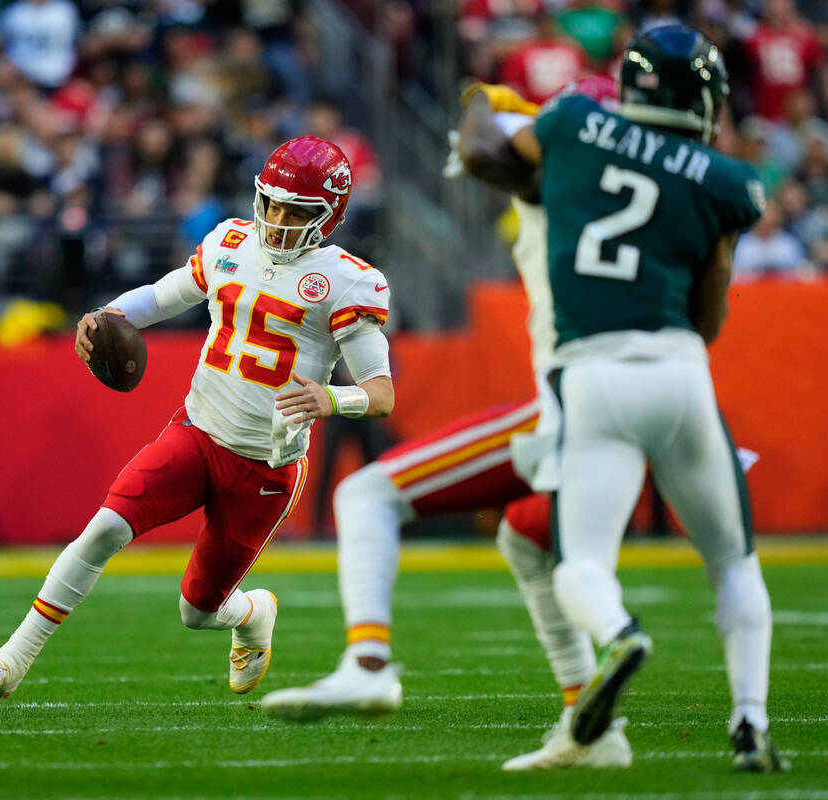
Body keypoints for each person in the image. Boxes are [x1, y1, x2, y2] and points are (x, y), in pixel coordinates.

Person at [261, 78, 636, 771]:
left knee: (365, 494)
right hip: (664, 398)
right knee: (530, 536)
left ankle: (369, 660)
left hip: (576, 398)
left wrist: (483, 100)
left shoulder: (551, 189)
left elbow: (486, 150)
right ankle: (607, 730)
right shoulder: (675, 199)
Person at [453, 25, 787, 772]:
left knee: (581, 563)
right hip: (678, 370)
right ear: (704, 97)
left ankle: (618, 632)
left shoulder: (573, 123)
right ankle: (749, 722)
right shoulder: (727, 179)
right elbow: (709, 316)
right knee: (734, 561)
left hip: (592, 375)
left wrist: (478, 100)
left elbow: (489, 156)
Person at [0, 136, 395, 699]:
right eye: (273, 202)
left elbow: (381, 394)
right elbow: (163, 298)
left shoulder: (348, 280)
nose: (279, 218)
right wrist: (106, 314)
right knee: (104, 530)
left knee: (198, 611)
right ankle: (11, 659)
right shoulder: (231, 240)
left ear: (329, 216)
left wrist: (332, 399)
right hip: (196, 431)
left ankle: (254, 614)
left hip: (265, 467)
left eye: (297, 210)